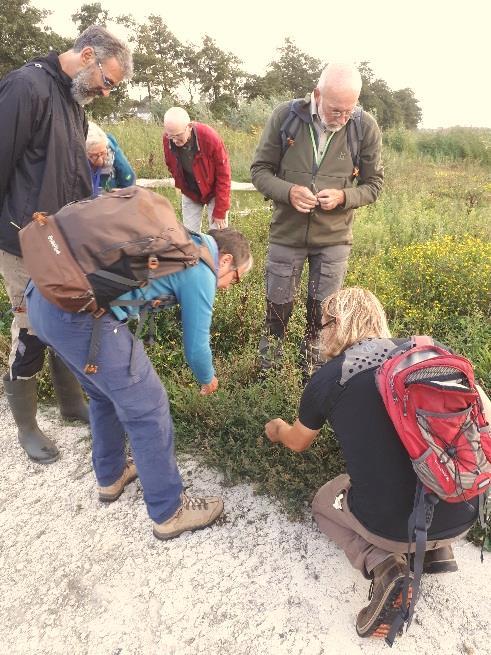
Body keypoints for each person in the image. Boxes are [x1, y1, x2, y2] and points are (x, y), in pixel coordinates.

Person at [265, 287, 482, 640]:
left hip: (391, 528)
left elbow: (297, 443)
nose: (319, 334)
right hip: (463, 511)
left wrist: (276, 428)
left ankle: (384, 565)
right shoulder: (428, 354)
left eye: (322, 326)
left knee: (324, 501)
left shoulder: (330, 377)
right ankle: (437, 552)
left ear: (336, 325)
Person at [25, 228, 253, 539]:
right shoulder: (200, 268)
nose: (228, 287)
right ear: (225, 260)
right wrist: (207, 377)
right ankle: (169, 511)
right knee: (150, 407)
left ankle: (112, 474)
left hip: (43, 301)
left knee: (103, 393)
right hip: (78, 318)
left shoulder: (176, 237)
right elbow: (196, 347)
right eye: (236, 278)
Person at [0, 25, 133, 464]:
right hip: (21, 238)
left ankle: (70, 401)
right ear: (88, 55)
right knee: (32, 325)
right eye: (108, 81)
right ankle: (26, 425)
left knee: (65, 315)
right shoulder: (26, 87)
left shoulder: (73, 98)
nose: (108, 92)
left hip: (58, 238)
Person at [251, 63, 384, 375]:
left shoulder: (364, 127)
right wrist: (288, 192)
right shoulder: (286, 117)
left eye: (348, 110)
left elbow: (373, 185)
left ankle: (313, 371)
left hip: (334, 239)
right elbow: (259, 171)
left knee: (324, 311)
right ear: (317, 95)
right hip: (287, 234)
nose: (342, 118)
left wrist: (343, 197)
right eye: (336, 109)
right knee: (277, 307)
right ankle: (267, 369)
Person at [163, 107, 231, 232]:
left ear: (189, 126)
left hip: (214, 191)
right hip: (190, 191)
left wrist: (220, 210)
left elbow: (224, 175)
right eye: (170, 136)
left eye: (178, 135)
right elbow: (170, 163)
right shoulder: (168, 138)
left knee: (219, 234)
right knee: (190, 237)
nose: (174, 140)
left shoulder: (210, 138)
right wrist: (182, 185)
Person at [86, 121, 136, 196]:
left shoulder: (111, 149)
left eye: (103, 153)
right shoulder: (75, 158)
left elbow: (128, 178)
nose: (100, 160)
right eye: (94, 155)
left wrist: (123, 194)